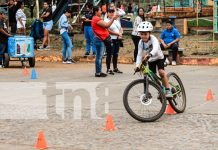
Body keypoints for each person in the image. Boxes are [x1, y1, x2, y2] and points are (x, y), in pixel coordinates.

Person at [135, 21, 172, 98]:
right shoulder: (140, 42)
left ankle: (168, 90)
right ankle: (161, 89)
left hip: (159, 58)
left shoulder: (153, 39)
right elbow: (139, 55)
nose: (143, 36)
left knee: (161, 72)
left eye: (145, 34)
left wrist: (149, 54)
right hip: (151, 60)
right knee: (152, 77)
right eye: (141, 34)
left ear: (149, 33)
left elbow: (155, 49)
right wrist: (137, 65)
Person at [91, 6, 119, 77]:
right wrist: (113, 18)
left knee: (99, 56)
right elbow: (107, 25)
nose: (101, 12)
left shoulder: (96, 18)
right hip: (99, 39)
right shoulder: (96, 19)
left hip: (100, 39)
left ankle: (99, 71)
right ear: (96, 12)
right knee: (99, 56)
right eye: (100, 10)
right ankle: (98, 72)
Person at [104, 8, 123, 74]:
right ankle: (108, 69)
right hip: (110, 39)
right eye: (110, 12)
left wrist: (120, 33)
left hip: (117, 39)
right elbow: (107, 30)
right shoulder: (106, 21)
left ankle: (115, 68)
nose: (112, 13)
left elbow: (120, 28)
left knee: (116, 54)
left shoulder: (116, 20)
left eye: (113, 12)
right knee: (109, 54)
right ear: (107, 13)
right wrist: (117, 34)